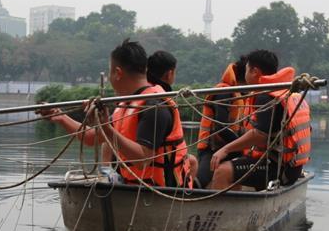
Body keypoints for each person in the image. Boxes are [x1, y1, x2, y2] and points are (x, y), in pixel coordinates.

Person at [42, 39, 191, 188]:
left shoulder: (154, 106)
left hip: (162, 195)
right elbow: (91, 138)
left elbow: (142, 160)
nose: (109, 79)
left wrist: (107, 128)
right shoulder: (126, 104)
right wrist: (61, 117)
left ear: (118, 73)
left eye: (110, 72)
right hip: (135, 190)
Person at [207, 50, 310, 191]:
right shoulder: (285, 92)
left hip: (280, 169)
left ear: (254, 71)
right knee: (235, 166)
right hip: (292, 167)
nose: (245, 74)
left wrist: (225, 149)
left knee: (223, 171)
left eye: (247, 70)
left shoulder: (266, 96)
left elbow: (261, 135)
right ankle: (238, 205)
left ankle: (221, 212)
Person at [194, 56, 248, 188]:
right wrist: (240, 146)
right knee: (200, 182)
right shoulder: (224, 92)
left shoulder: (239, 93)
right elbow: (220, 127)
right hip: (211, 149)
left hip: (228, 148)